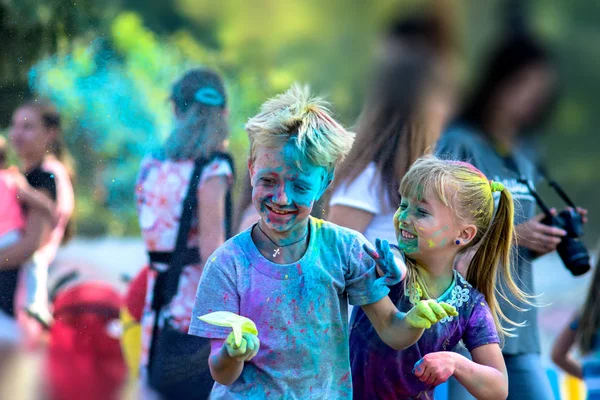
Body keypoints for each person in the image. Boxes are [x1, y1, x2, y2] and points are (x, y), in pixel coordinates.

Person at [188, 85, 459, 399]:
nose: (281, 197)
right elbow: (219, 369)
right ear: (251, 170)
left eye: (300, 186)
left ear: (325, 181)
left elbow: (391, 329)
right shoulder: (227, 264)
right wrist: (233, 353)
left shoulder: (343, 250)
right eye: (268, 181)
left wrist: (412, 321)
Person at [436, 34, 587, 400]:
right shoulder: (459, 142)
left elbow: (515, 243)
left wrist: (544, 238)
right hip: (467, 329)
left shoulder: (525, 151)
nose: (534, 99)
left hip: (520, 326)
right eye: (526, 86)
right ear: (499, 81)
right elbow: (438, 233)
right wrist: (516, 234)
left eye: (542, 91)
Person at [350, 156, 533, 399]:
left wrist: (456, 362)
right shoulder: (389, 263)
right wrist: (394, 270)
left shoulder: (468, 304)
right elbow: (393, 265)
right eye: (403, 205)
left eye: (421, 211)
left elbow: (498, 387)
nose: (404, 217)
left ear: (464, 234)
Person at [135, 68, 235, 397]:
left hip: (158, 303)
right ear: (223, 113)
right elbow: (212, 253)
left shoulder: (152, 164)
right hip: (195, 312)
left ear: (176, 110)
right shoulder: (213, 169)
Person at [328, 15, 455, 245]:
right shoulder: (368, 180)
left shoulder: (425, 176)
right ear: (415, 107)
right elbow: (331, 266)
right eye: (441, 95)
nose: (448, 107)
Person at [1, 100, 74, 342]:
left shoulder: (44, 177)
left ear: (50, 133)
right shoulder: (26, 176)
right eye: (14, 126)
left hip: (18, 305)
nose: (16, 134)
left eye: (28, 127)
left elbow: (31, 244)